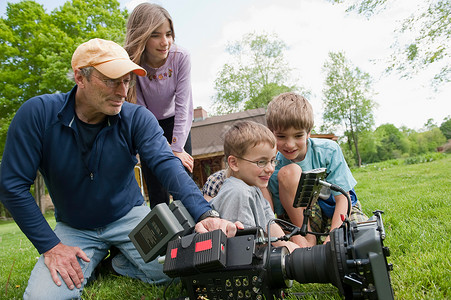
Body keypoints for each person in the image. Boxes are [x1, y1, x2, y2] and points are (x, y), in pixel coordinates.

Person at [0, 38, 241, 300]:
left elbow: (166, 164)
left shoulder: (136, 118)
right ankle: (92, 259)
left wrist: (205, 214)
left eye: (126, 80)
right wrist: (52, 246)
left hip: (130, 217)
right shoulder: (37, 114)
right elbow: (12, 185)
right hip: (74, 227)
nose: (122, 91)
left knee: (175, 271)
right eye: (111, 80)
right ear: (80, 77)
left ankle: (116, 264)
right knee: (42, 298)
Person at [266, 92, 367, 247]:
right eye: (281, 137)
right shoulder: (273, 166)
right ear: (271, 133)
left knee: (361, 237)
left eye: (298, 136)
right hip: (303, 219)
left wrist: (333, 236)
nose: (290, 144)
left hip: (339, 210)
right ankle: (308, 238)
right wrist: (298, 236)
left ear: (309, 132)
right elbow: (280, 214)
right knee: (289, 249)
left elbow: (342, 199)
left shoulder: (328, 150)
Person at [124, 3, 194, 208]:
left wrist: (177, 149)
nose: (165, 42)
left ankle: (193, 232)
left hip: (177, 121)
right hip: (148, 123)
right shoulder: (131, 63)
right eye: (156, 35)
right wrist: (159, 148)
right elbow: (140, 108)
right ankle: (163, 238)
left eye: (169, 34)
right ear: (142, 35)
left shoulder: (180, 57)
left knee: (182, 179)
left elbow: (183, 106)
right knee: (156, 188)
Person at [209, 121, 299, 253]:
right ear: (234, 163)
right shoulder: (238, 193)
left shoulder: (254, 189)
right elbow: (245, 250)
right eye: (261, 162)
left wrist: (297, 251)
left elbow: (273, 229)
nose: (270, 169)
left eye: (273, 161)